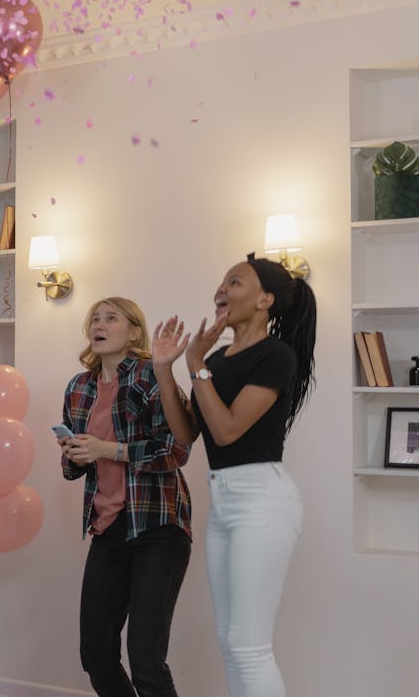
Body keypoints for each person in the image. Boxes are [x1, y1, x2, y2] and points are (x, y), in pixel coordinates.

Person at [152, 254, 316, 697]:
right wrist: (167, 368)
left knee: (249, 645)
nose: (221, 290)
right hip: (226, 503)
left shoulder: (275, 356)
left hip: (263, 501)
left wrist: (195, 365)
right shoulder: (217, 359)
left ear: (265, 300)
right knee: (230, 643)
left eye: (235, 283)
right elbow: (187, 433)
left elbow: (225, 431)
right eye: (221, 283)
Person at [57, 297, 193, 697]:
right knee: (96, 654)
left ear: (134, 331)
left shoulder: (153, 376)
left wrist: (108, 450)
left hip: (157, 528)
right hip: (108, 530)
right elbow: (73, 469)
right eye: (94, 319)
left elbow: (176, 449)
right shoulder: (78, 387)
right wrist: (76, 453)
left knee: (146, 660)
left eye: (110, 318)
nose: (99, 324)